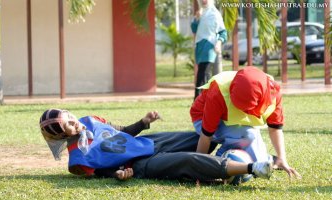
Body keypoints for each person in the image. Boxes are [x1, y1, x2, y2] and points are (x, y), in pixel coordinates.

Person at [39, 108, 273, 183]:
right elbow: (101, 172)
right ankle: (252, 168)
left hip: (147, 143)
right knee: (187, 160)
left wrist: (143, 122)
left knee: (201, 136)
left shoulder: (90, 121)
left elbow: (120, 132)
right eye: (67, 125)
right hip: (141, 163)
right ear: (62, 136)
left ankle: (252, 151)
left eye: (69, 115)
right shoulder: (77, 161)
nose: (73, 121)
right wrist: (119, 174)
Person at [190, 66, 301, 179]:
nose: (242, 110)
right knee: (247, 134)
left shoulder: (273, 93)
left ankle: (264, 159)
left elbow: (275, 128)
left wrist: (282, 158)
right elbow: (206, 136)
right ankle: (220, 162)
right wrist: (200, 168)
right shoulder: (218, 91)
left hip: (237, 123)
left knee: (259, 159)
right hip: (201, 118)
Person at [191, 0, 227, 100]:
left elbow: (223, 32)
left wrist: (219, 42)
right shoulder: (200, 13)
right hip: (199, 45)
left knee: (204, 71)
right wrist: (196, 19)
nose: (203, 1)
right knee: (202, 72)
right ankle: (204, 99)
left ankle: (198, 99)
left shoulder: (215, 14)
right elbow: (194, 29)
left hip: (210, 45)